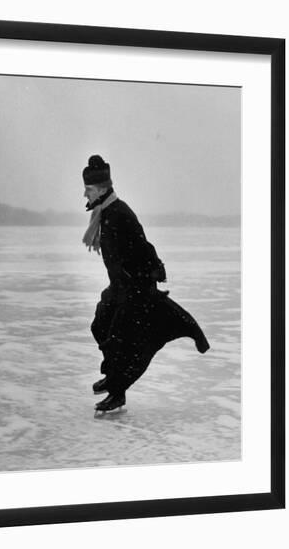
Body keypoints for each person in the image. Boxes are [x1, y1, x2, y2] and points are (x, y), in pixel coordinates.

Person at [82, 154, 210, 412]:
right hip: (118, 287)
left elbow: (141, 245)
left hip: (133, 288)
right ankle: (112, 376)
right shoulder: (104, 213)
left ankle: (117, 393)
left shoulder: (119, 214)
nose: (84, 195)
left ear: (100, 189)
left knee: (121, 340)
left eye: (87, 190)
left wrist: (154, 270)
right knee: (100, 326)